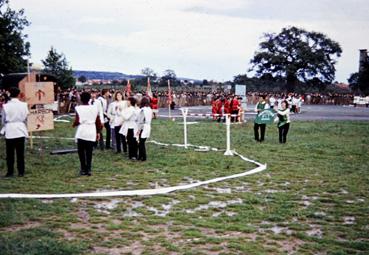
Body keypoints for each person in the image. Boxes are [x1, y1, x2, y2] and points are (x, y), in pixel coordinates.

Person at [1, 87, 29, 177]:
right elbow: (26, 117)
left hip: (10, 129)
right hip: (20, 128)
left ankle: (10, 172)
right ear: (18, 94)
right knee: (20, 153)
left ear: (9, 94)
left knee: (10, 153)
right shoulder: (24, 105)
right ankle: (21, 172)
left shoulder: (5, 106)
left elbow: (3, 119)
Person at [73, 92, 103, 176]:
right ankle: (89, 169)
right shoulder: (94, 108)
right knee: (89, 151)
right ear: (89, 99)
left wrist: (74, 124)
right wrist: (98, 132)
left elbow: (77, 120)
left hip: (82, 130)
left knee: (81, 151)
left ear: (81, 99)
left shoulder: (78, 108)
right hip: (91, 130)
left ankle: (83, 168)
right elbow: (98, 121)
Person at [137, 97, 152, 161]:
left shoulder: (142, 110)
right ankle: (141, 156)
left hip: (144, 127)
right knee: (142, 142)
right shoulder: (149, 109)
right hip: (148, 126)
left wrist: (138, 129)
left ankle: (143, 157)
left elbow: (141, 121)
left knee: (141, 143)